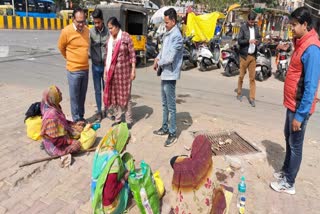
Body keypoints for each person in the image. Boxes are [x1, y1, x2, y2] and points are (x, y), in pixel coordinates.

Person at [270, 7, 320, 195]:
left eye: (294, 25)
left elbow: (311, 86)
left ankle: (289, 183)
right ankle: (285, 172)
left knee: (295, 145)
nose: (291, 28)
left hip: (299, 107)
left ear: (305, 25)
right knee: (289, 139)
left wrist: (301, 114)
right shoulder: (301, 43)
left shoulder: (312, 49)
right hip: (292, 104)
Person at [153, 8, 183, 147]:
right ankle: (164, 128)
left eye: (167, 22)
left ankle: (172, 133)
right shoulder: (168, 33)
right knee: (164, 104)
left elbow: (170, 58)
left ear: (173, 21)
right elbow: (163, 51)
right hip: (164, 72)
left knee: (171, 106)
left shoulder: (177, 36)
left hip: (170, 74)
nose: (165, 24)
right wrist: (157, 58)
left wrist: (160, 61)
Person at [103, 17, 136, 129]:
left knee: (126, 96)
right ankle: (118, 119)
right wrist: (105, 72)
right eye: (109, 28)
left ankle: (128, 120)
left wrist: (133, 70)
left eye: (111, 28)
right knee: (115, 97)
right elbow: (107, 58)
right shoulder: (110, 40)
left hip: (125, 74)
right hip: (112, 75)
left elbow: (132, 54)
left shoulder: (126, 37)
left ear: (117, 26)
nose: (110, 30)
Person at [58, 7, 89, 122]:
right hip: (73, 70)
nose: (81, 24)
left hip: (85, 69)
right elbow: (61, 47)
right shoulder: (66, 31)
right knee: (75, 97)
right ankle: (76, 120)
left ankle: (81, 116)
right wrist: (70, 59)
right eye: (79, 21)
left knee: (82, 96)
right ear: (73, 20)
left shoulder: (87, 30)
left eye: (83, 21)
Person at [91, 123, 131, 213]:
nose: (125, 148)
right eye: (125, 143)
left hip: (96, 195)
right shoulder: (114, 162)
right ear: (119, 140)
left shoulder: (102, 148)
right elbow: (110, 195)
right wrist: (124, 179)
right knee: (129, 161)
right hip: (108, 207)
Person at [40, 85, 84, 156]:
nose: (61, 94)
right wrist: (71, 142)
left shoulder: (55, 106)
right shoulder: (51, 117)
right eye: (59, 93)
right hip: (55, 144)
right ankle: (48, 147)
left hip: (58, 136)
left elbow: (62, 121)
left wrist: (74, 124)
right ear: (53, 98)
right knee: (77, 146)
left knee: (79, 129)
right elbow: (56, 140)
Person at [237, 12, 261, 107]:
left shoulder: (256, 28)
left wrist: (257, 42)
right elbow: (239, 40)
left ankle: (252, 98)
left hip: (253, 56)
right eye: (251, 22)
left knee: (252, 78)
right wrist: (248, 41)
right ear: (248, 20)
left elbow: (259, 38)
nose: (252, 23)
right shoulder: (243, 28)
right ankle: (239, 93)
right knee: (241, 76)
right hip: (244, 56)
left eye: (253, 22)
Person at [90, 8, 109, 122]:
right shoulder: (91, 32)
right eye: (94, 22)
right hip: (95, 66)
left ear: (102, 20)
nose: (96, 25)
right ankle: (98, 111)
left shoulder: (109, 32)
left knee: (106, 89)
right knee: (97, 90)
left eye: (98, 22)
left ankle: (107, 109)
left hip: (106, 67)